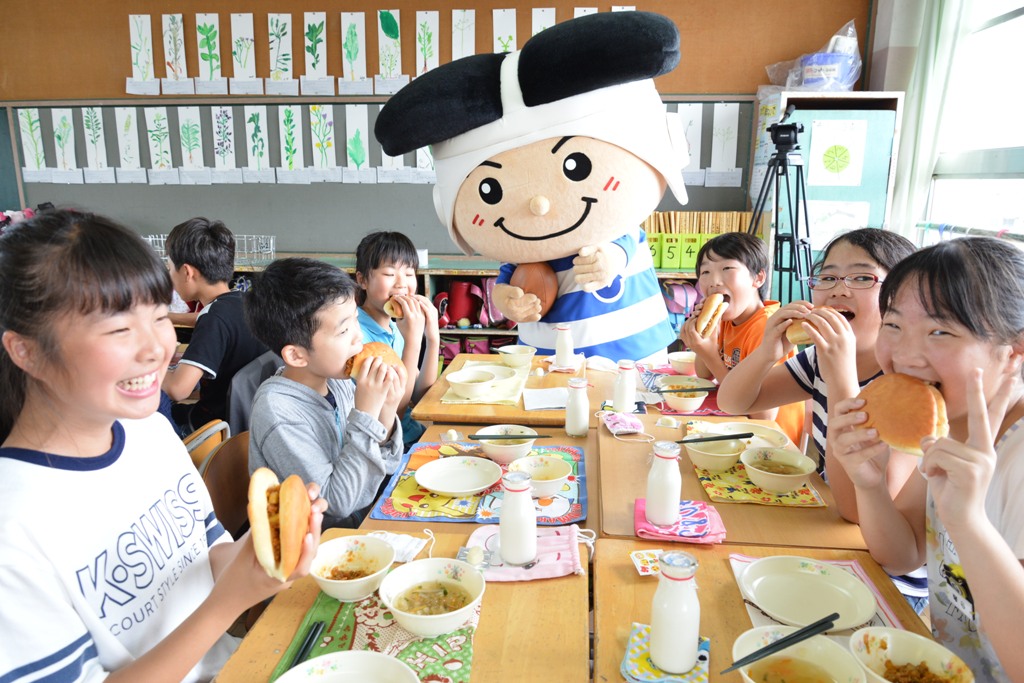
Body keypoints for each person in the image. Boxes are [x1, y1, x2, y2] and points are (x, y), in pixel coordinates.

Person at [0, 210, 325, 683]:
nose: (158, 349)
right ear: (25, 350)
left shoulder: (151, 432)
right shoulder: (13, 525)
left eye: (157, 316)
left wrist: (272, 547)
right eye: (118, 329)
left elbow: (209, 557)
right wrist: (228, 603)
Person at [374, 11, 687, 363]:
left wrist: (609, 259)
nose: (538, 203)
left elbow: (625, 244)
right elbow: (507, 283)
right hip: (548, 364)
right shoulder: (521, 252)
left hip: (633, 356)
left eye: (577, 166)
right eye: (490, 189)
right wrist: (508, 300)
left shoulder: (615, 227)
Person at [830, 237, 1024, 681]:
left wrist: (968, 523)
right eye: (893, 325)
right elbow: (902, 555)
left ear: (1014, 352)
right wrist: (869, 482)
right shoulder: (948, 428)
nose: (903, 356)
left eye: (941, 332)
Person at [717, 228, 927, 612]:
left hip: (885, 581)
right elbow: (732, 401)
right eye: (827, 277)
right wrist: (767, 351)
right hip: (826, 537)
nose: (838, 290)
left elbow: (855, 512)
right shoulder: (817, 360)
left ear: (903, 299)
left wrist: (842, 379)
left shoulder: (905, 387)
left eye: (862, 277)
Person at [245, 257, 407, 529]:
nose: (359, 337)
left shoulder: (337, 379)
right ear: (296, 355)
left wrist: (387, 411)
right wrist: (366, 415)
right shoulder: (277, 412)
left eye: (356, 319)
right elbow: (337, 505)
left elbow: (385, 468)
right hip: (312, 547)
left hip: (359, 522)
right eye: (344, 330)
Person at [678, 232, 804, 444]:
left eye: (727, 269)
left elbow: (762, 415)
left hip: (772, 442)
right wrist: (703, 343)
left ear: (758, 278)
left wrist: (709, 353)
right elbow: (704, 374)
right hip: (740, 426)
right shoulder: (727, 318)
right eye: (705, 271)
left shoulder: (768, 329)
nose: (714, 281)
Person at [161, 217, 268, 435]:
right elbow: (207, 322)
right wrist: (163, 315)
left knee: (154, 406)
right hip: (246, 418)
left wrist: (143, 368)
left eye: (170, 268)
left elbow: (177, 389)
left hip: (213, 428)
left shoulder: (213, 318)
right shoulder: (242, 300)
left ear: (187, 272)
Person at [354, 231, 438, 447]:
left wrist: (433, 338)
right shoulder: (357, 337)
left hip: (414, 434)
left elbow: (421, 397)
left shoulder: (394, 325)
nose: (402, 284)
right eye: (390, 274)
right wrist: (413, 342)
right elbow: (396, 411)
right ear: (362, 280)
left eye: (410, 274)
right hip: (390, 445)